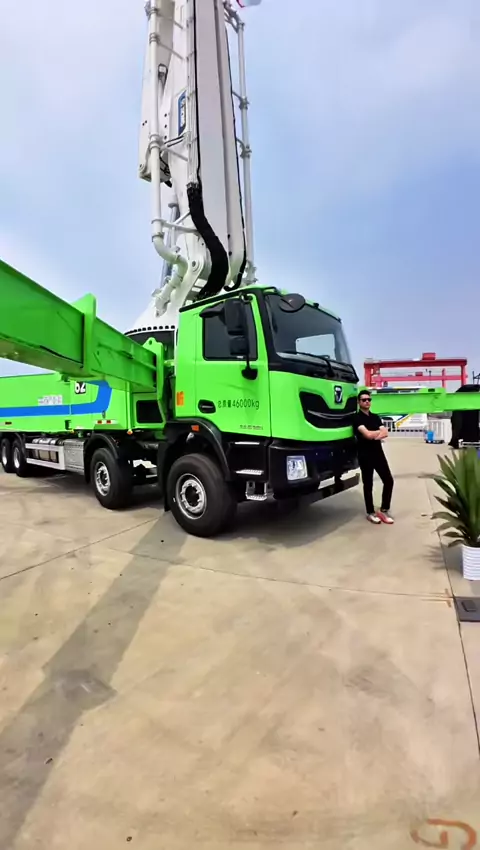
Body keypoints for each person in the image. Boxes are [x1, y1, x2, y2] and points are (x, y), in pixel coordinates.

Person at [352, 390, 394, 525]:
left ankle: (384, 510)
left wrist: (373, 434)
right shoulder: (356, 418)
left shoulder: (375, 417)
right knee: (368, 484)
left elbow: (385, 433)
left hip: (378, 453)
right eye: (364, 400)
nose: (367, 402)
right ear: (359, 402)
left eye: (369, 399)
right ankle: (370, 512)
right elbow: (368, 435)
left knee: (388, 480)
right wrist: (376, 433)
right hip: (365, 455)